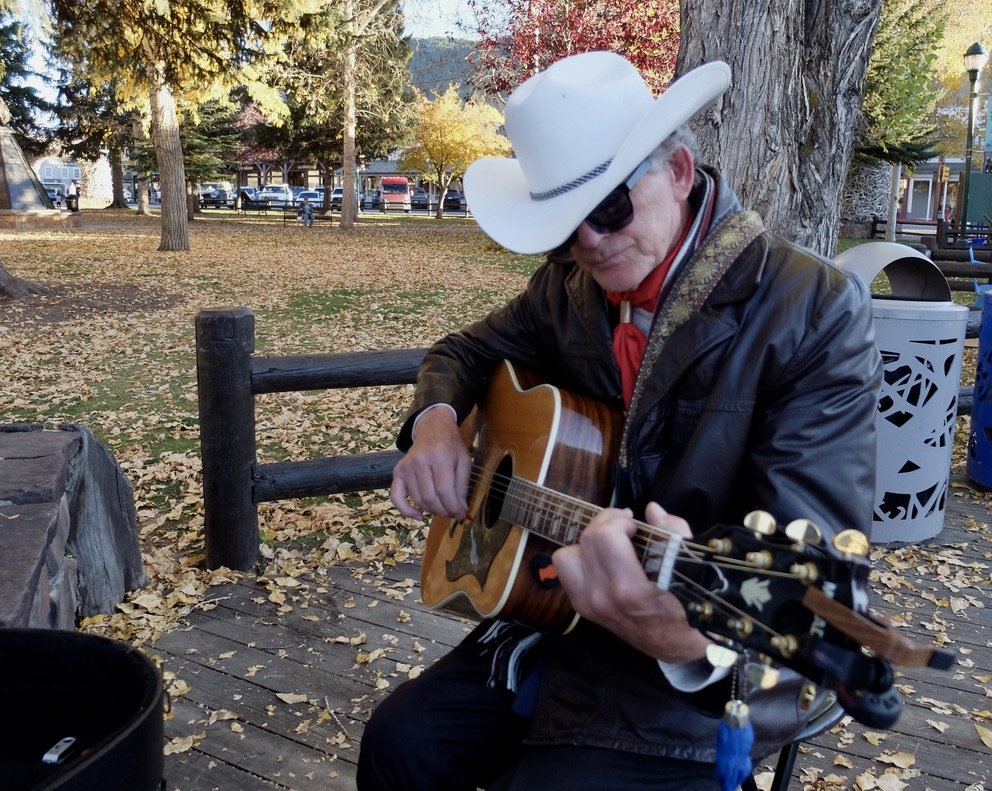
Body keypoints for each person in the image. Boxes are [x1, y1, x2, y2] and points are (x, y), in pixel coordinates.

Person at [358, 51, 881, 791]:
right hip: (561, 619)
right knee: (397, 745)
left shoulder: (811, 309)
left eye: (608, 208)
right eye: (565, 226)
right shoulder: (567, 291)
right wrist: (437, 421)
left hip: (707, 674)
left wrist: (683, 629)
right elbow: (464, 349)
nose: (591, 243)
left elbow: (814, 572)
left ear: (678, 171)